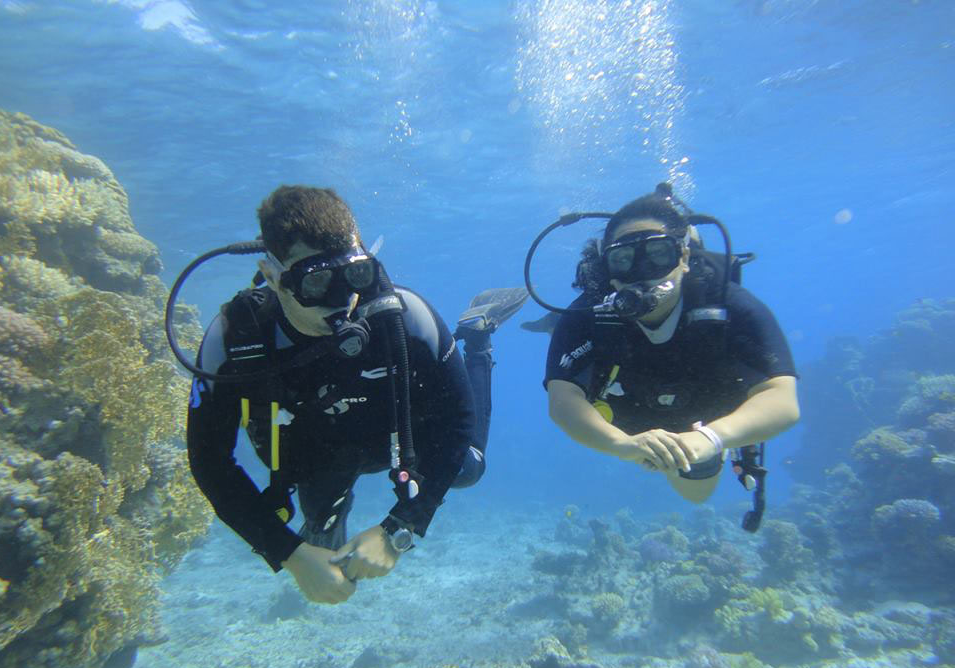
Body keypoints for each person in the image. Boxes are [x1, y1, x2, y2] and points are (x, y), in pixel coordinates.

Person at [187, 186, 527, 604]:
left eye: (355, 275)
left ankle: (477, 335)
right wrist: (289, 553)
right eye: (315, 281)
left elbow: (458, 419)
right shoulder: (235, 338)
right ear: (273, 275)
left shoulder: (407, 318)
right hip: (318, 449)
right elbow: (210, 461)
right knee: (320, 541)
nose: (344, 299)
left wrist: (401, 527)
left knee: (468, 468)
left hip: (398, 433)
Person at [540, 184, 799, 504]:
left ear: (685, 256)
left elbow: (782, 399)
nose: (640, 273)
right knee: (571, 344)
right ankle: (561, 338)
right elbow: (562, 402)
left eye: (658, 255)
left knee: (697, 491)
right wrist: (621, 445)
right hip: (630, 413)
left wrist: (711, 438)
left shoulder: (726, 304)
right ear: (609, 269)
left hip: (705, 420)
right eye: (623, 260)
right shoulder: (586, 314)